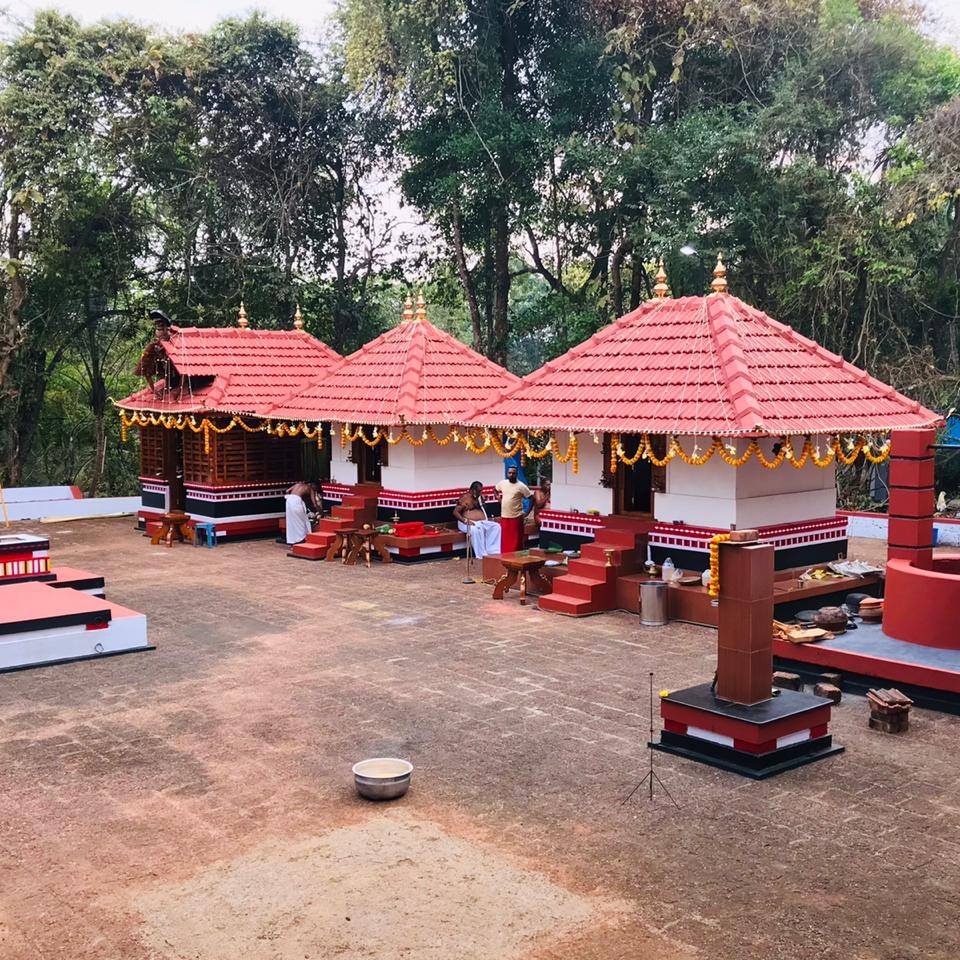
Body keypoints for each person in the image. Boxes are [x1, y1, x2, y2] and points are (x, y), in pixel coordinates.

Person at [453, 481, 502, 559]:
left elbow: (482, 510)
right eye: (479, 491)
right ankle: (481, 554)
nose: (480, 493)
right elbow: (455, 512)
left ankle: (492, 550)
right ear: (473, 490)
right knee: (475, 529)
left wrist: (483, 502)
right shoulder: (465, 498)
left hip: (481, 522)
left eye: (481, 491)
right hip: (465, 523)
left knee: (496, 527)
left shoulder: (479, 498)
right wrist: (466, 521)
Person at [135, 309, 177, 396]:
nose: (161, 333)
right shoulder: (153, 348)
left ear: (167, 329)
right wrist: (154, 390)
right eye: (158, 328)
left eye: (162, 327)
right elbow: (145, 370)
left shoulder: (176, 341)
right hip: (168, 383)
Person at [495, 465, 532, 554]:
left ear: (517, 474)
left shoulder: (521, 486)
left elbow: (531, 498)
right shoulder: (503, 483)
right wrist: (498, 498)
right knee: (505, 539)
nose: (511, 475)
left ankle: (515, 559)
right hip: (504, 516)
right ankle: (505, 556)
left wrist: (527, 512)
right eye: (510, 473)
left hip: (516, 517)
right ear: (507, 474)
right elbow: (495, 489)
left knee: (516, 540)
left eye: (513, 473)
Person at [285, 481, 322, 545]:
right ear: (314, 486)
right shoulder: (310, 489)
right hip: (296, 501)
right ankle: (301, 539)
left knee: (292, 521)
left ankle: (293, 540)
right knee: (302, 521)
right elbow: (315, 504)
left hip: (289, 500)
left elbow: (287, 491)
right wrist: (320, 511)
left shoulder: (298, 484)